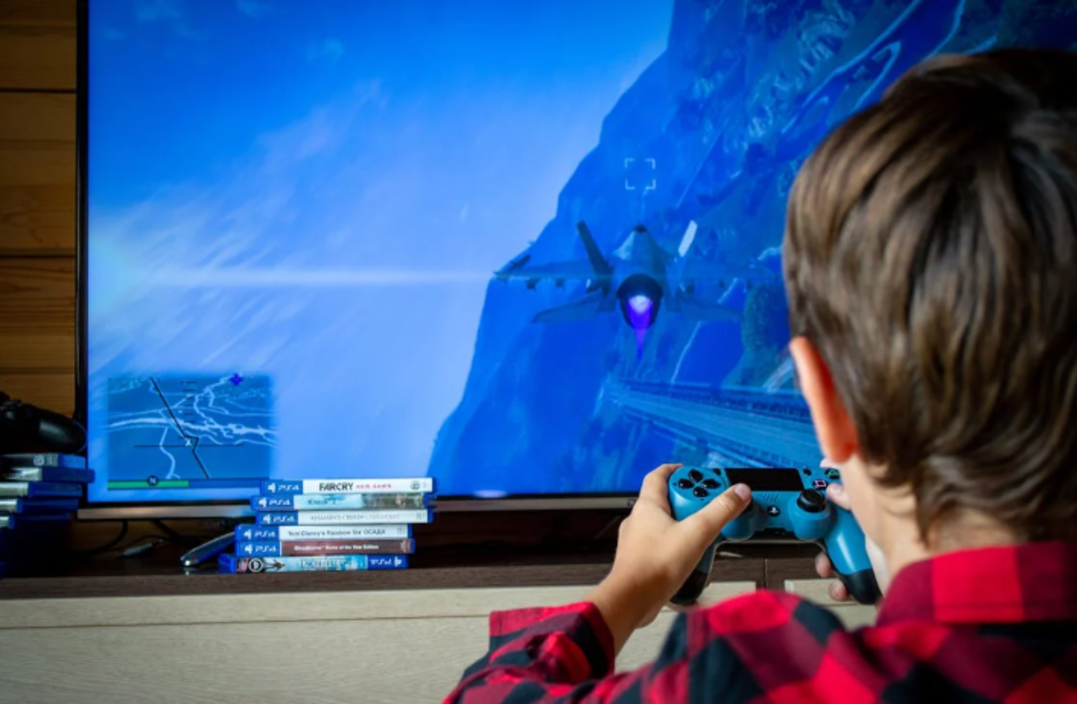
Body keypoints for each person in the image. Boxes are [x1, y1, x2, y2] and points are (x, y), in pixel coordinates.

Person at [441, 48, 1077, 703]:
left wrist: (630, 585)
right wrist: (915, 569)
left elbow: (482, 696)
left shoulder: (756, 676)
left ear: (828, 407)